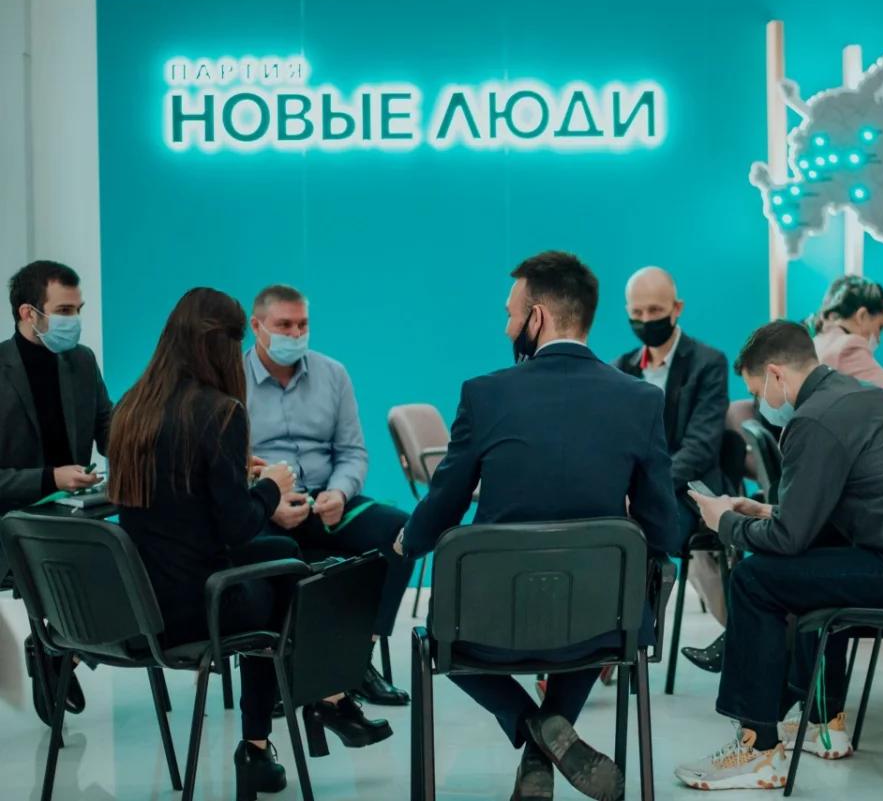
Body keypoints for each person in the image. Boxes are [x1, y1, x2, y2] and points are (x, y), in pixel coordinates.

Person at [399, 251, 677, 801]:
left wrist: (409, 540)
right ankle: (550, 733)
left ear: (539, 316)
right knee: (594, 595)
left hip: (488, 627)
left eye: (511, 314)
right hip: (604, 626)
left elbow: (445, 501)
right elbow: (664, 530)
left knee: (439, 634)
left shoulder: (484, 394)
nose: (507, 327)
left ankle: (533, 730)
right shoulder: (642, 400)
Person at [108, 288, 392, 800]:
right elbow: (238, 528)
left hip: (140, 602)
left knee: (286, 561)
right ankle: (303, 715)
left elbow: (180, 502)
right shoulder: (220, 412)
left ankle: (301, 720)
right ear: (226, 342)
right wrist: (271, 487)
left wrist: (236, 472)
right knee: (288, 573)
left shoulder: (132, 407)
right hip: (201, 607)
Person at [675, 320, 883, 791]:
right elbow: (821, 516)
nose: (760, 403)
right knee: (820, 558)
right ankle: (822, 720)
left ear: (776, 375)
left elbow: (787, 540)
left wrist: (726, 523)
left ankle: (756, 750)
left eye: (757, 391)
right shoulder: (862, 396)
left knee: (755, 580)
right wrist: (767, 510)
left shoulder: (813, 419)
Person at [243, 284, 415, 706]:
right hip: (265, 504)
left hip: (325, 503)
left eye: (302, 325)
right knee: (261, 548)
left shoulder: (333, 374)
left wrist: (339, 492)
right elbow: (228, 461)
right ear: (256, 326)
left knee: (401, 532)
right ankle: (276, 671)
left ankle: (357, 660)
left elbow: (353, 452)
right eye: (284, 325)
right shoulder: (231, 379)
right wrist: (268, 499)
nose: (295, 334)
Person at [1, 261, 112, 725]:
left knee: (135, 561)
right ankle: (56, 645)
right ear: (28, 312)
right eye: (65, 310)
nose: (75, 320)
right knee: (83, 566)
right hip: (14, 523)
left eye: (78, 309)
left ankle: (59, 649)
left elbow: (110, 430)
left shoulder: (81, 361)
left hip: (77, 513)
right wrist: (51, 478)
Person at [612, 266, 731, 670]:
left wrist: (647, 489)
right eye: (637, 312)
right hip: (630, 491)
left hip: (685, 490)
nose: (646, 320)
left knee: (647, 537)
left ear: (677, 308)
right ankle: (594, 640)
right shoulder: (620, 369)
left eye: (655, 310)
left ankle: (627, 642)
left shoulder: (708, 363)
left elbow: (701, 446)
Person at [808, 275, 883, 400]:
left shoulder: (818, 340)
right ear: (862, 316)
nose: (878, 339)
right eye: (880, 327)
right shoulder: (848, 348)